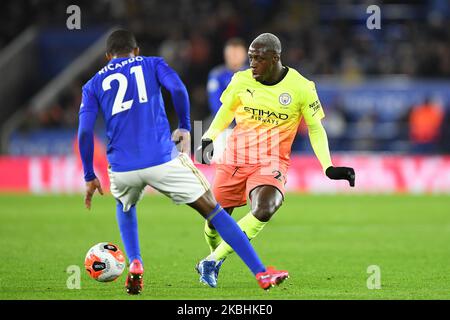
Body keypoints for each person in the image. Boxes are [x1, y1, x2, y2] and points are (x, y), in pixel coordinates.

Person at [77, 30, 288, 295]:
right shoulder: (152, 63)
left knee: (125, 205)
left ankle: (136, 262)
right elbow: (177, 87)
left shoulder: (92, 85)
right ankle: (261, 273)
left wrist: (88, 174)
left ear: (108, 56)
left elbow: (85, 132)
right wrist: (186, 127)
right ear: (137, 51)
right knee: (214, 211)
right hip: (162, 158)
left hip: (122, 167)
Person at [195, 33, 355, 288]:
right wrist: (208, 137)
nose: (252, 63)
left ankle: (211, 261)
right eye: (250, 58)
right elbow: (227, 111)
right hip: (236, 158)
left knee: (265, 207)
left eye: (259, 58)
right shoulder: (241, 80)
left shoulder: (302, 87)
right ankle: (215, 258)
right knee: (215, 221)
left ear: (275, 58)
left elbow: (315, 128)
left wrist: (328, 166)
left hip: (272, 161)